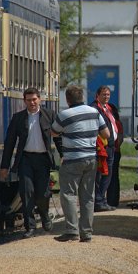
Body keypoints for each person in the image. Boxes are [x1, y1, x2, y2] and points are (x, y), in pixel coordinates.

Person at [51, 85, 110, 243]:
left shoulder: (65, 114)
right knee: (88, 197)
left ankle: (71, 230)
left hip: (72, 159)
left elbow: (54, 132)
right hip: (91, 159)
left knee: (69, 194)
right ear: (82, 97)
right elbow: (107, 134)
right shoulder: (94, 112)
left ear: (68, 99)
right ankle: (87, 233)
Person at [0, 87, 57, 238]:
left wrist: (64, 156)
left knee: (43, 194)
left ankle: (44, 215)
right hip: (25, 159)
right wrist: (5, 166)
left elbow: (59, 136)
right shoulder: (18, 118)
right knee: (26, 192)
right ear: (24, 101)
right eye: (29, 100)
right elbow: (10, 142)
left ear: (40, 99)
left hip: (43, 159)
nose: (32, 102)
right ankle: (30, 226)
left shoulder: (49, 115)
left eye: (34, 99)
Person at [91, 86, 121, 211]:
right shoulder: (95, 109)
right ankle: (99, 201)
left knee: (107, 175)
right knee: (101, 175)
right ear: (97, 95)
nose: (106, 97)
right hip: (101, 147)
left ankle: (102, 200)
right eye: (104, 94)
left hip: (111, 146)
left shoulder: (109, 108)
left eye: (108, 94)